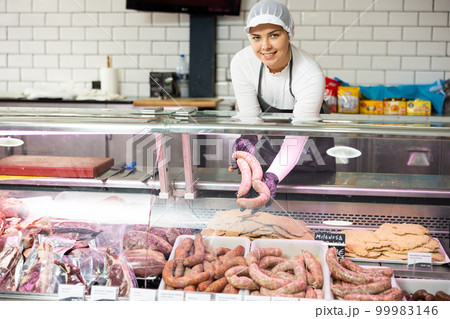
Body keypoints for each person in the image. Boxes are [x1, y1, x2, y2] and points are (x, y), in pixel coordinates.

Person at [230, 0, 335, 206]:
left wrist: (273, 177)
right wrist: (248, 141)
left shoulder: (309, 72)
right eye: (256, 37)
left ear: (290, 33)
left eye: (274, 35)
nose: (265, 46)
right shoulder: (242, 63)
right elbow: (251, 121)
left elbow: (296, 138)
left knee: (311, 216)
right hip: (269, 153)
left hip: (312, 158)